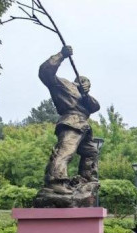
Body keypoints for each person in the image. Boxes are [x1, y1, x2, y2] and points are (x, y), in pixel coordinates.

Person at [39, 46, 100, 194]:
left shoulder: (86, 99)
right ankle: (55, 180)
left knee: (91, 152)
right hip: (71, 122)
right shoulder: (65, 85)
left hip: (84, 127)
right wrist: (61, 55)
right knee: (66, 151)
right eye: (82, 81)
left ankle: (86, 178)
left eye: (87, 83)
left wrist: (85, 93)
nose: (84, 83)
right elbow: (45, 72)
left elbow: (95, 107)